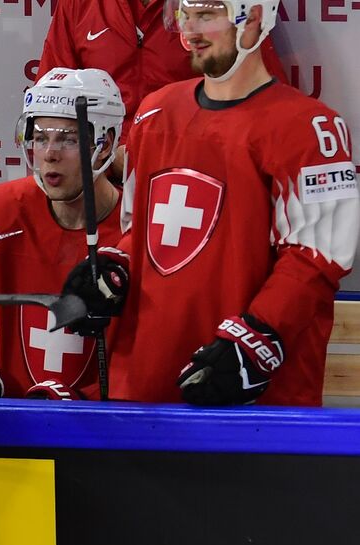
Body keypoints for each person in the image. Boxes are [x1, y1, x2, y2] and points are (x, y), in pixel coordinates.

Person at [78, 0, 359, 406]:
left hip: (247, 396)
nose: (189, 32)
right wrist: (115, 268)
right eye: (183, 16)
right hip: (143, 384)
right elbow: (140, 232)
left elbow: (314, 260)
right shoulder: (155, 113)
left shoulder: (309, 128)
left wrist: (255, 340)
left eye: (206, 16)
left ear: (255, 20)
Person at [0, 69, 127, 400]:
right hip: (12, 433)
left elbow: (152, 351)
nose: (50, 153)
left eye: (68, 138)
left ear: (105, 141)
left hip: (110, 433)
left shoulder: (138, 231)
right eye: (40, 137)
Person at [37, 0, 285, 148]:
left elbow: (264, 102)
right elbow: (50, 101)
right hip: (101, 174)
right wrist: (105, 155)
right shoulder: (78, 4)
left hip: (194, 165)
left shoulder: (220, 4)